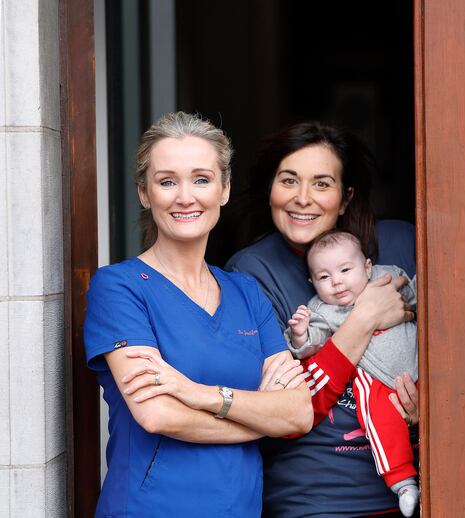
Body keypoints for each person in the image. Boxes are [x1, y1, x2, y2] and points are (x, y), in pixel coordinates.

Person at [83, 112, 313, 517]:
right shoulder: (119, 288)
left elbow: (298, 413)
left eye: (202, 179)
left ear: (224, 189)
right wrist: (260, 417)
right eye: (167, 181)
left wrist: (198, 394)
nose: (185, 197)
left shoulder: (246, 292)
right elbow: (157, 414)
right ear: (144, 193)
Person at [226, 121, 419, 517]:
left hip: (420, 486)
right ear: (270, 189)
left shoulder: (402, 245)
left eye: (321, 183)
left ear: (345, 198)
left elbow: (462, 344)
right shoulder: (250, 273)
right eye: (289, 180)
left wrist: (429, 408)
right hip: (316, 497)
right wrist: (365, 317)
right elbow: (286, 411)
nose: (303, 198)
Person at [287, 230, 419, 516]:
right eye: (324, 277)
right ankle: (402, 481)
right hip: (376, 378)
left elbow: (418, 295)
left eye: (345, 270)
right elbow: (312, 343)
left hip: (420, 361)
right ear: (312, 283)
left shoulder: (387, 278)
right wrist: (300, 335)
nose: (336, 281)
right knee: (379, 418)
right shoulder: (321, 309)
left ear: (368, 267)